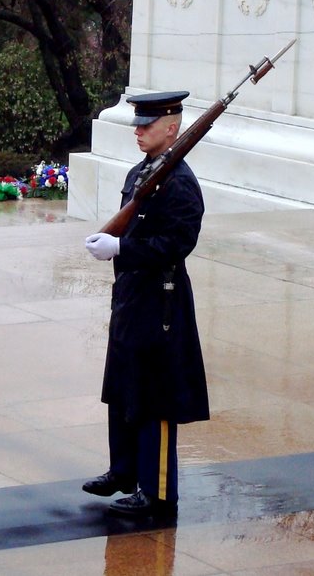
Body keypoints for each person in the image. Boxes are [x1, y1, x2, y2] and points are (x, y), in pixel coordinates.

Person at [83, 91, 210, 519]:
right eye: (137, 124)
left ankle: (156, 492)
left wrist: (120, 248)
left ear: (172, 127)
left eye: (147, 125)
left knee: (154, 398)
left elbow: (176, 244)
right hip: (134, 296)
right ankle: (123, 472)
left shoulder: (180, 183)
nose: (138, 131)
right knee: (124, 386)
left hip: (162, 301)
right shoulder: (144, 171)